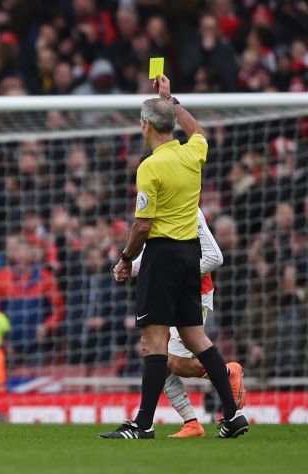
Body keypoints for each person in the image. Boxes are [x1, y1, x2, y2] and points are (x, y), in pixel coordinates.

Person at [100, 75, 248, 439]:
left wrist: (124, 259)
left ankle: (143, 424)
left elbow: (142, 226)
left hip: (163, 257)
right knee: (197, 338)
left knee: (154, 343)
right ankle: (233, 417)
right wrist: (172, 100)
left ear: (146, 125)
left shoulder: (150, 166)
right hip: (189, 256)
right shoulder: (192, 152)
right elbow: (199, 133)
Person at [131, 209, 246, 437]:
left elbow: (214, 257)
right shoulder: (157, 210)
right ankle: (192, 423)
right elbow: (152, 253)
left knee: (172, 362)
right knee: (159, 357)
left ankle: (228, 372)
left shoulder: (188, 207)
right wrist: (130, 266)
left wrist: (178, 276)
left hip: (194, 293)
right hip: (169, 292)